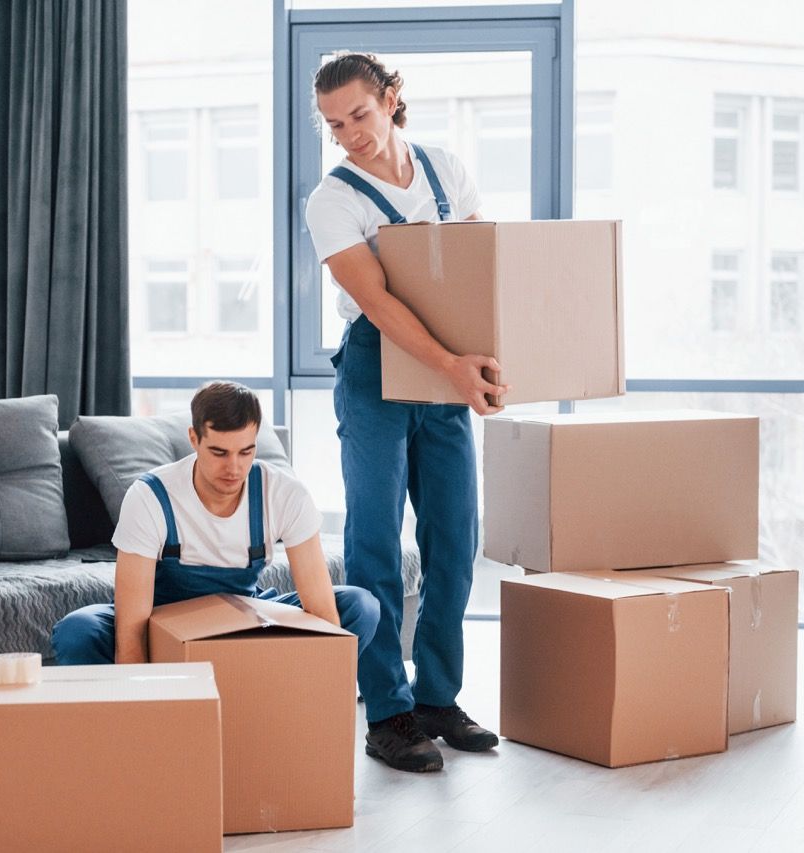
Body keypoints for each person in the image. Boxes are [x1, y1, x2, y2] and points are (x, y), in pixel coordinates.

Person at [305, 52, 505, 772]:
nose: (351, 134)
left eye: (360, 114)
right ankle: (387, 711)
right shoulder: (332, 200)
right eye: (335, 125)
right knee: (376, 547)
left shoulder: (445, 168)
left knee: (455, 539)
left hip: (447, 368)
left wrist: (482, 364)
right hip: (374, 371)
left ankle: (438, 698)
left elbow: (483, 268)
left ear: (391, 100)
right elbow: (381, 304)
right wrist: (452, 364)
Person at [52, 381, 380, 678]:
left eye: (246, 452)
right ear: (194, 439)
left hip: (243, 619)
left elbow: (321, 611)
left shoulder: (283, 493)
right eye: (219, 452)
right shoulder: (151, 496)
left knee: (359, 606)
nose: (234, 468)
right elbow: (131, 628)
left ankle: (278, 702)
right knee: (78, 631)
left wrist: (322, 700)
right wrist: (144, 711)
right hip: (160, 622)